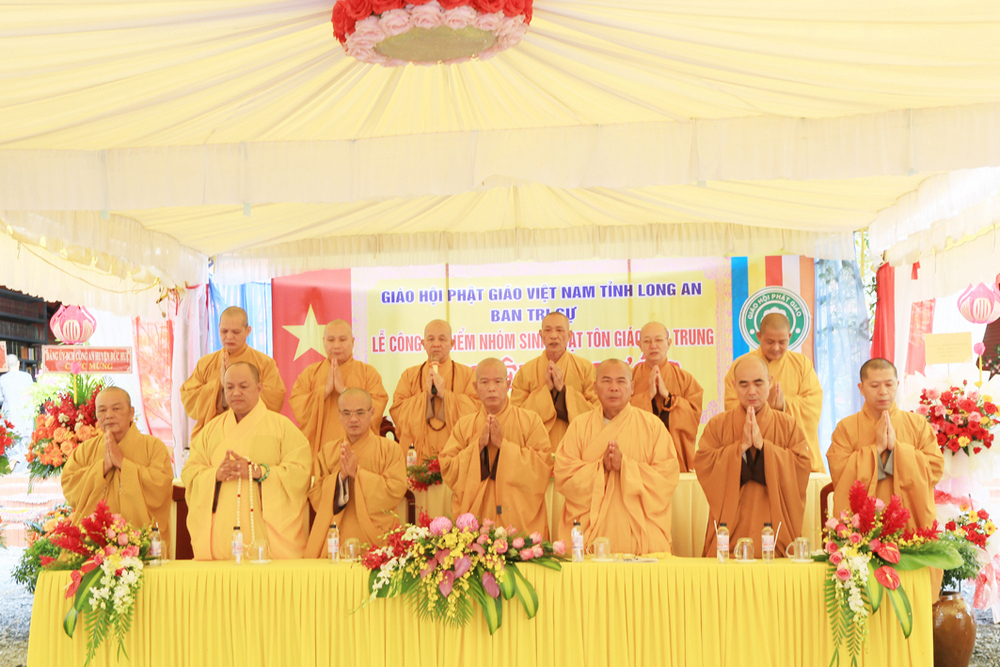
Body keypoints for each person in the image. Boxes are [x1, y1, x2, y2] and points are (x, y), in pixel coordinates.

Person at [182, 362, 311, 560]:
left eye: (243, 386)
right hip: (222, 532)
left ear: (259, 388)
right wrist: (215, 475)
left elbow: (300, 472)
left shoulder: (282, 427)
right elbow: (190, 473)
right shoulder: (210, 431)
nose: (236, 393)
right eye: (229, 387)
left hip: (268, 537)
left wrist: (259, 472)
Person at [555, 359, 680, 554]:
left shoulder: (653, 426)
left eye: (621, 381)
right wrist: (601, 468)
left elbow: (666, 479)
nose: (614, 387)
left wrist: (626, 466)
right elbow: (564, 476)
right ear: (595, 388)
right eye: (606, 381)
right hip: (590, 534)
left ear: (632, 388)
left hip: (640, 534)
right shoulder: (579, 426)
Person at [694, 355, 812, 558]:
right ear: (733, 386)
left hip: (775, 526)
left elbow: (801, 466)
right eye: (743, 384)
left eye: (758, 383)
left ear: (770, 382)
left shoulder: (788, 425)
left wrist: (764, 448)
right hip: (731, 526)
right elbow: (704, 463)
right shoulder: (717, 425)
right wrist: (739, 449)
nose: (751, 391)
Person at [439, 358, 552, 538]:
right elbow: (448, 468)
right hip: (476, 520)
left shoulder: (530, 421)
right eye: (484, 382)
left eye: (498, 382)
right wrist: (478, 446)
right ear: (475, 387)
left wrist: (504, 446)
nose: (491, 388)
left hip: (519, 520)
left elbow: (542, 466)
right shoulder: (464, 426)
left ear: (508, 384)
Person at [828, 358, 944, 532]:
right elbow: (840, 472)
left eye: (889, 384)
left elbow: (934, 468)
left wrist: (898, 449)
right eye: (874, 386)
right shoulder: (846, 428)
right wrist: (876, 450)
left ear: (897, 385)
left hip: (909, 523)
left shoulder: (918, 424)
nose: (883, 392)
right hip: (863, 527)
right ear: (861, 388)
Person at [61, 387, 174, 556]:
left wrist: (123, 464)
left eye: (116, 408)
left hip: (141, 544)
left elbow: (161, 486)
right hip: (92, 545)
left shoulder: (153, 447)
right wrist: (102, 467)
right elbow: (70, 485)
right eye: (102, 410)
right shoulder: (85, 450)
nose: (108, 415)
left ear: (131, 413)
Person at [306, 389, 407, 556]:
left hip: (378, 538)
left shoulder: (390, 450)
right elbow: (316, 494)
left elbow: (395, 490)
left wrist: (357, 473)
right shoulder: (328, 452)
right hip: (337, 538)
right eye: (346, 413)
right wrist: (340, 478)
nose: (353, 419)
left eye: (360, 412)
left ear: (372, 413)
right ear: (339, 415)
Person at [724, 312, 825, 472]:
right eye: (770, 342)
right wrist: (762, 408)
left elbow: (813, 405)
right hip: (754, 459)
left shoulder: (802, 365)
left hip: (794, 456)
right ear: (759, 336)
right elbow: (732, 407)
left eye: (782, 342)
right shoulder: (741, 365)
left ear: (789, 337)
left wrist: (785, 405)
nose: (776, 348)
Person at [181, 307, 286, 438]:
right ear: (218, 327)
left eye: (236, 332)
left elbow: (275, 400)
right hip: (212, 437)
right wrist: (219, 385)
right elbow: (189, 398)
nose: (229, 337)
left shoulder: (265, 363)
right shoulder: (205, 363)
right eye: (224, 331)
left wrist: (234, 380)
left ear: (248, 331)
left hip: (253, 436)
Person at [290, 319, 388, 457]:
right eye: (331, 340)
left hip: (359, 454)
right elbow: (298, 407)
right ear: (323, 342)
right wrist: (324, 391)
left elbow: (375, 410)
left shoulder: (368, 373)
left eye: (342, 340)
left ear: (352, 342)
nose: (336, 345)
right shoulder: (310, 374)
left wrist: (344, 391)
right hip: (320, 452)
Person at [389, 320, 479, 462]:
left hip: (456, 456)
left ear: (452, 343)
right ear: (423, 343)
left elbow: (477, 412)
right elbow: (397, 411)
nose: (436, 344)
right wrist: (425, 397)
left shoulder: (468, 375)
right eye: (431, 339)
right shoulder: (409, 375)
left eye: (442, 339)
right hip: (418, 457)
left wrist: (446, 396)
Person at [511, 311, 598, 452]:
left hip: (576, 448)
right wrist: (546, 391)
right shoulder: (525, 372)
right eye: (548, 330)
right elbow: (516, 417)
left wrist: (563, 392)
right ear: (541, 335)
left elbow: (597, 413)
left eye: (559, 330)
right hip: (537, 449)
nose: (553, 335)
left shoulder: (585, 368)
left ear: (569, 335)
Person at [629, 322, 704, 472]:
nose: (653, 346)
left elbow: (693, 419)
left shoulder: (685, 379)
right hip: (639, 456)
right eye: (647, 341)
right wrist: (647, 397)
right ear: (639, 345)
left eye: (658, 340)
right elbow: (618, 415)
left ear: (669, 343)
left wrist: (669, 397)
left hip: (675, 454)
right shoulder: (629, 378)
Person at [0, 354, 35, 453]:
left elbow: (1, 398)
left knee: (12, 452)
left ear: (6, 365)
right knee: (27, 453)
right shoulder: (27, 377)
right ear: (18, 363)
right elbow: (33, 395)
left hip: (11, 420)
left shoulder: (2, 379)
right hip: (26, 419)